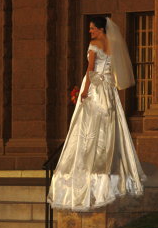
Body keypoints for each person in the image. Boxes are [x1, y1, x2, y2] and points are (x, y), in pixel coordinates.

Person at [47, 16, 146, 211]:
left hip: (95, 88)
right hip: (109, 89)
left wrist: (84, 91)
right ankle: (108, 166)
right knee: (109, 128)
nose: (90, 32)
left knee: (88, 128)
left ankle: (89, 167)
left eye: (92, 28)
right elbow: (114, 69)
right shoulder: (113, 43)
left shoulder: (94, 44)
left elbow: (90, 69)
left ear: (100, 29)